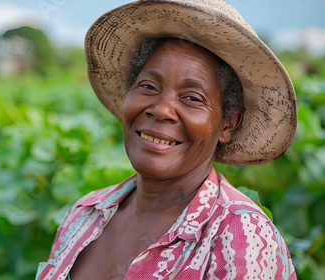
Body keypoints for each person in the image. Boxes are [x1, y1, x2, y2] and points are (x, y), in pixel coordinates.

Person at [36, 0, 297, 279]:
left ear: (228, 124)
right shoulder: (85, 214)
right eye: (148, 86)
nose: (160, 109)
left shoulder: (241, 238)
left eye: (192, 98)